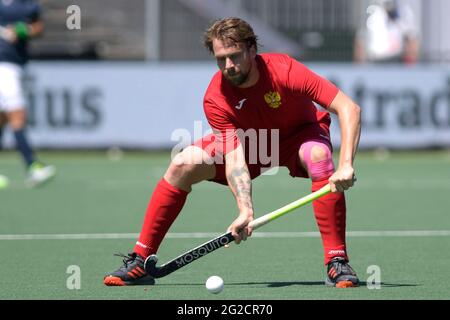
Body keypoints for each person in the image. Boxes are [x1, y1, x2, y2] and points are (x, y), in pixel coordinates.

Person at [104, 17, 361, 288]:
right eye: (220, 59)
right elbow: (235, 159)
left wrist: (346, 164)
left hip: (298, 136)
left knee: (320, 158)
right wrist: (245, 210)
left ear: (252, 50)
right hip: (250, 144)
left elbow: (348, 108)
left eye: (235, 56)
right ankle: (140, 259)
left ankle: (337, 261)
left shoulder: (285, 70)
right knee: (182, 163)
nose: (228, 66)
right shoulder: (216, 97)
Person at [0, 0, 55, 187]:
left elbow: (38, 28)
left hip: (16, 65)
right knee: (18, 116)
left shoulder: (29, 5)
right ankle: (32, 166)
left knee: (2, 118)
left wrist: (23, 30)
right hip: (4, 67)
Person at [354, 0, 419, 64]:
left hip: (397, 61)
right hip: (373, 61)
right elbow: (360, 42)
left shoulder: (404, 11)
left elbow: (411, 40)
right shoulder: (371, 11)